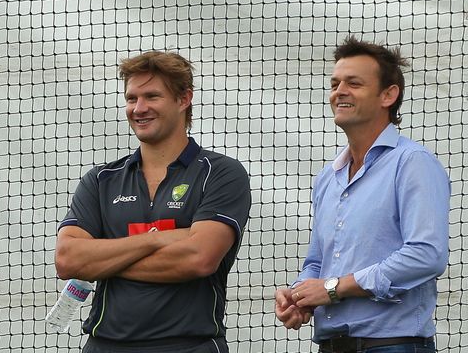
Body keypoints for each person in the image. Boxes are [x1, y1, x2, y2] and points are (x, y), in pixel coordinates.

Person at [54, 51, 251, 353]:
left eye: (152, 96)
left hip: (190, 346)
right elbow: (68, 259)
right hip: (104, 345)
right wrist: (157, 241)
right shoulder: (101, 180)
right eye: (132, 98)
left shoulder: (221, 173)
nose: (139, 108)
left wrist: (102, 261)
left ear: (184, 99)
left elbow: (199, 258)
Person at [274, 36, 450, 352]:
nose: (339, 91)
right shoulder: (328, 177)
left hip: (393, 345)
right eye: (335, 83)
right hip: (332, 345)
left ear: (388, 95)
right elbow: (317, 262)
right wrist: (299, 294)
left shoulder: (413, 163)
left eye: (353, 83)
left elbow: (427, 255)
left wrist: (331, 289)